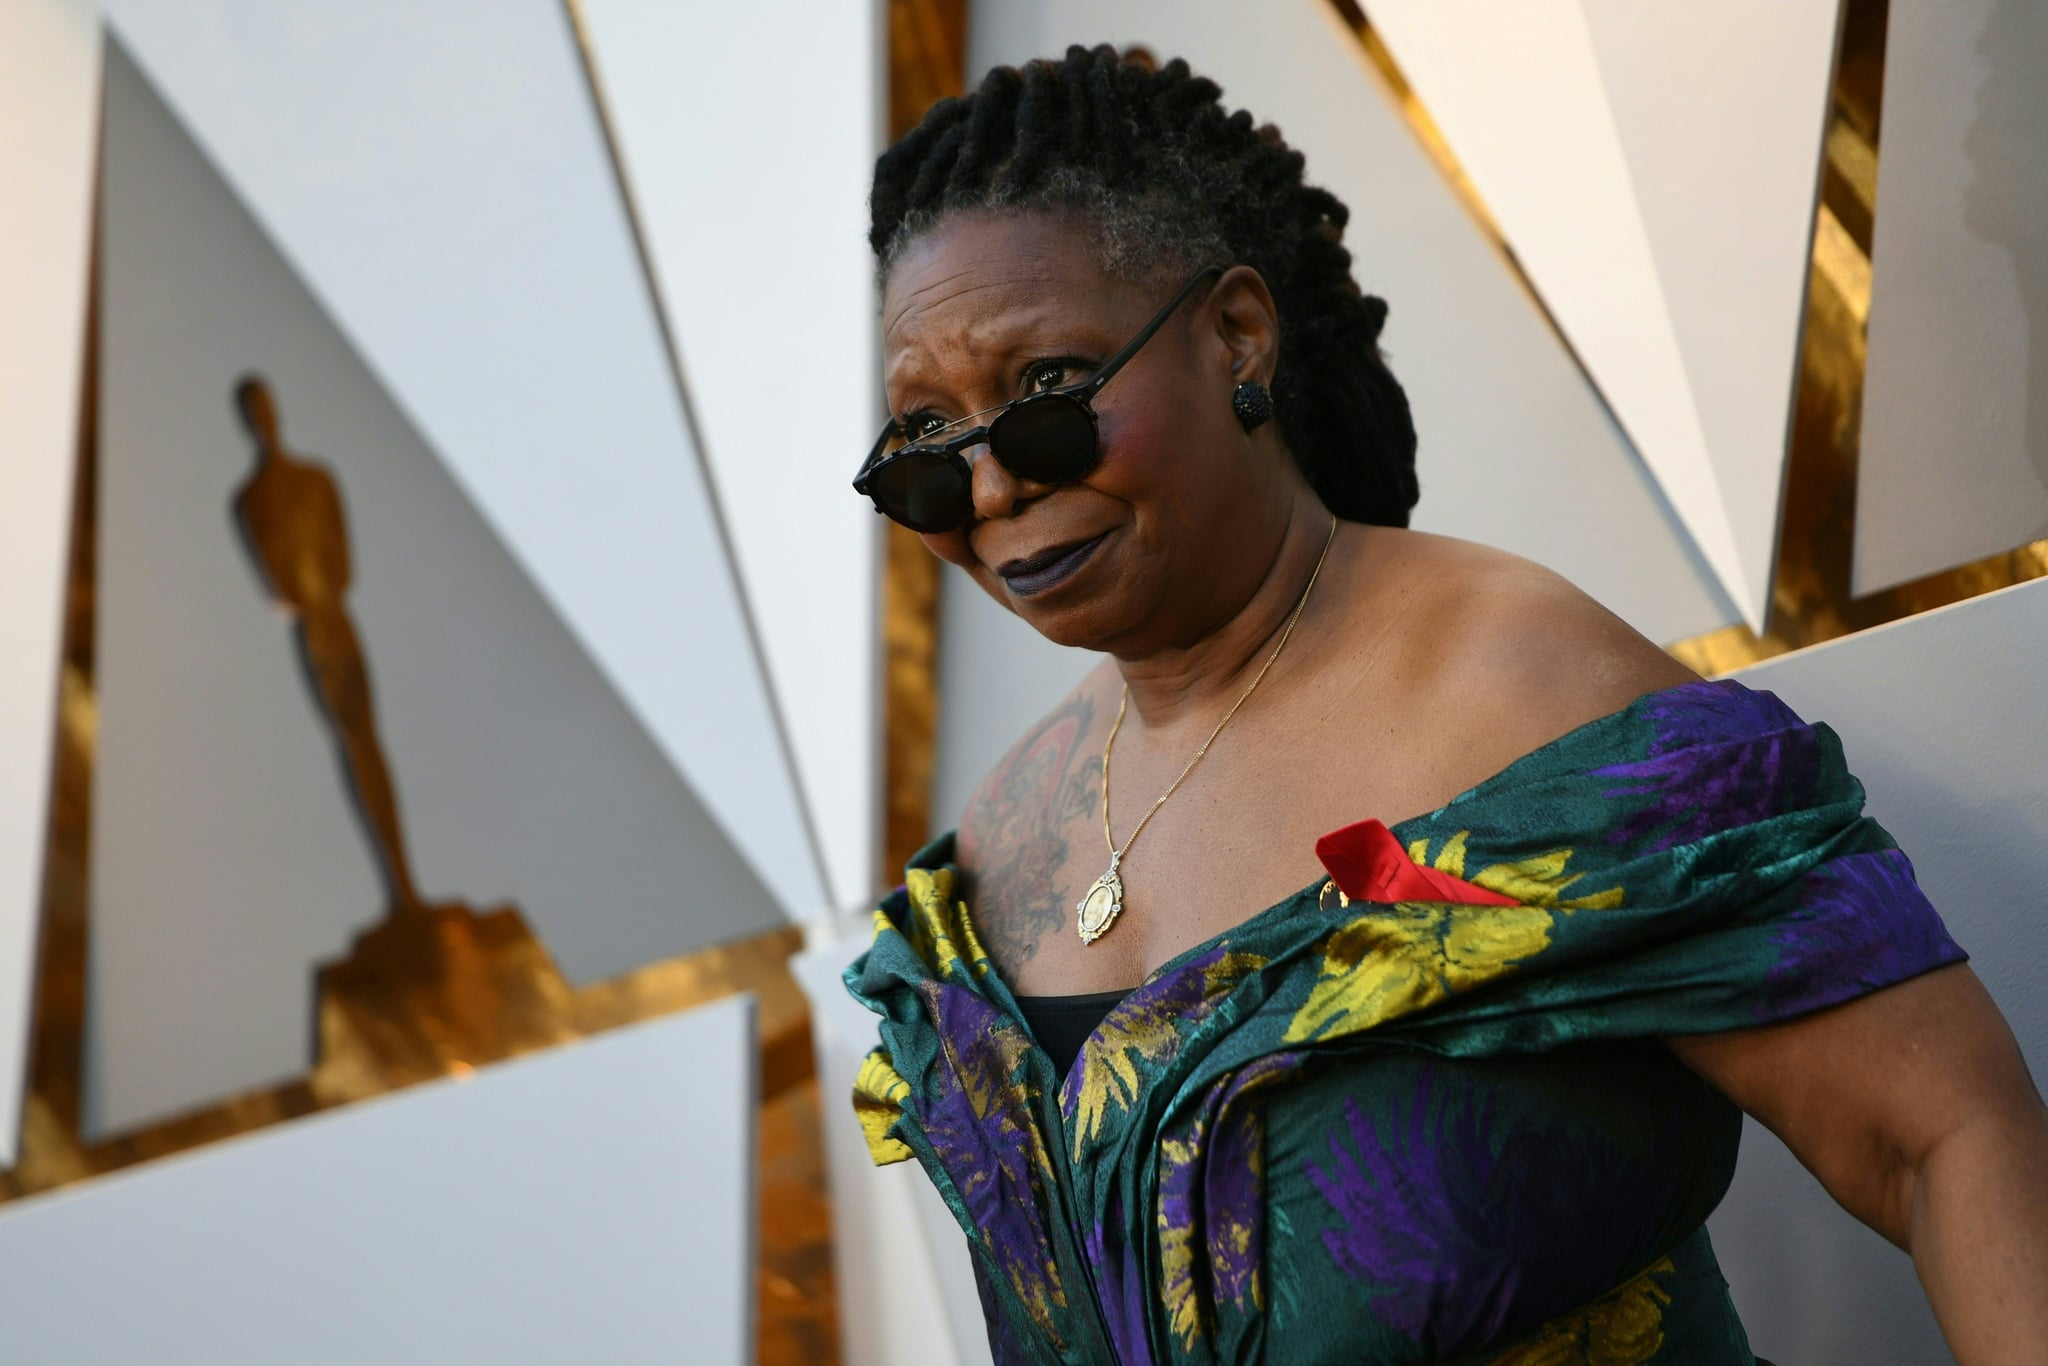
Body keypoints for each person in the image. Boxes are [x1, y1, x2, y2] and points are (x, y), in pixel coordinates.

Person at [845, 46, 2048, 1364]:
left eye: (1044, 395)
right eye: (925, 441)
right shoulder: (1003, 831)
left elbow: (1944, 1137)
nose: (989, 486)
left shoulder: (1526, 690)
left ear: (1236, 334)